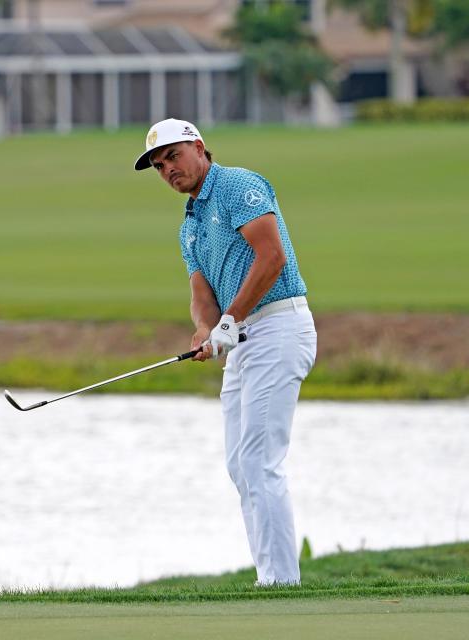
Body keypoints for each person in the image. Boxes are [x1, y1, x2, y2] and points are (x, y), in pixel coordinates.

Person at [134, 117, 317, 585]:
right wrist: (204, 329)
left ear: (199, 147)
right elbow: (201, 292)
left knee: (259, 460)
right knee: (241, 464)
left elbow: (271, 257)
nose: (167, 170)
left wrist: (228, 322)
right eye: (158, 166)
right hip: (244, 340)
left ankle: (280, 583)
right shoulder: (189, 223)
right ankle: (270, 578)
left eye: (173, 156)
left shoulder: (238, 185)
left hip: (278, 328)